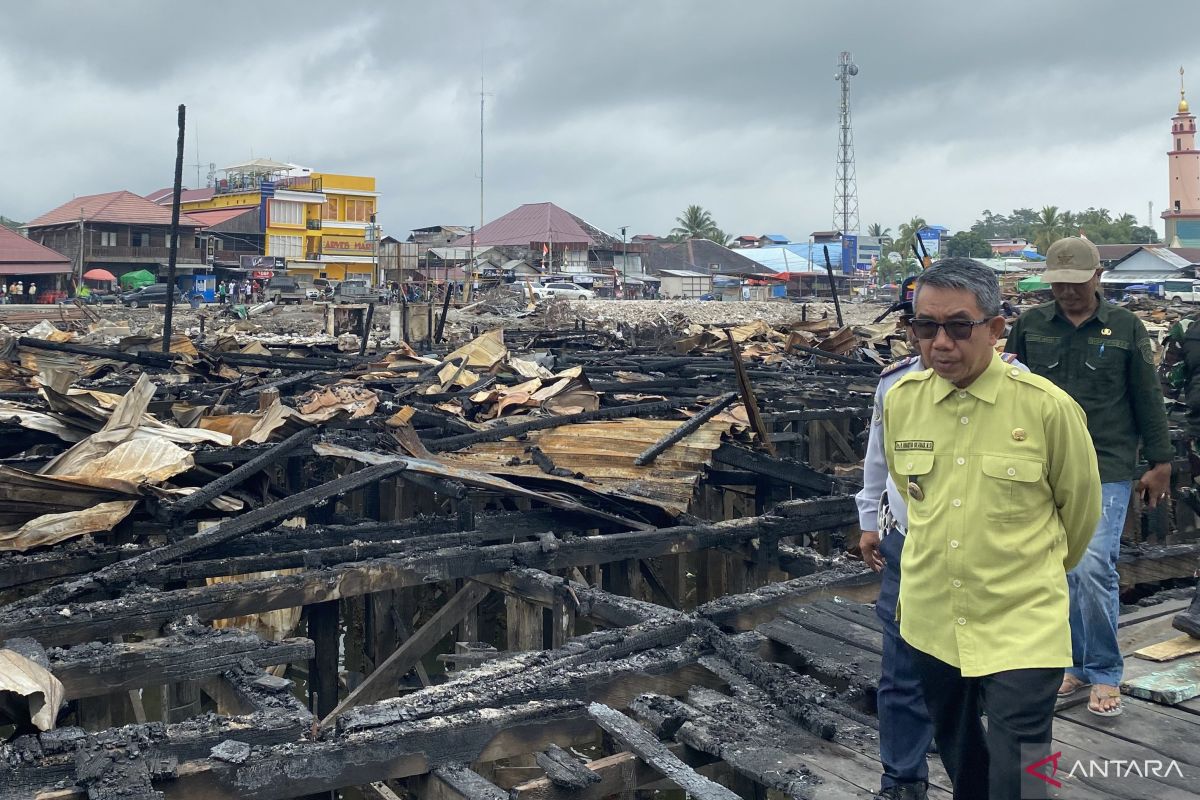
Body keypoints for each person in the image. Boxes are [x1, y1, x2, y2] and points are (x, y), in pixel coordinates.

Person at [883, 257, 1101, 800]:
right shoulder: (901, 404)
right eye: (924, 326)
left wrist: (1030, 570)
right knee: (960, 753)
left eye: (959, 326)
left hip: (1021, 620)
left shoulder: (1048, 409)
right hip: (933, 619)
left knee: (1024, 769)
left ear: (996, 329)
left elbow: (1080, 515)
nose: (940, 343)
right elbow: (911, 501)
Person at [1004, 237, 1172, 717]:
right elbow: (1009, 388)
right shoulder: (1031, 326)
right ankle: (1073, 661)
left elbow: (1147, 396)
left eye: (1076, 284)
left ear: (1097, 277)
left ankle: (1103, 669)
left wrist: (1160, 463)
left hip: (1107, 464)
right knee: (1055, 568)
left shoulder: (1125, 327)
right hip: (1043, 464)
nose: (1067, 293)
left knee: (1092, 565)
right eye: (1058, 285)